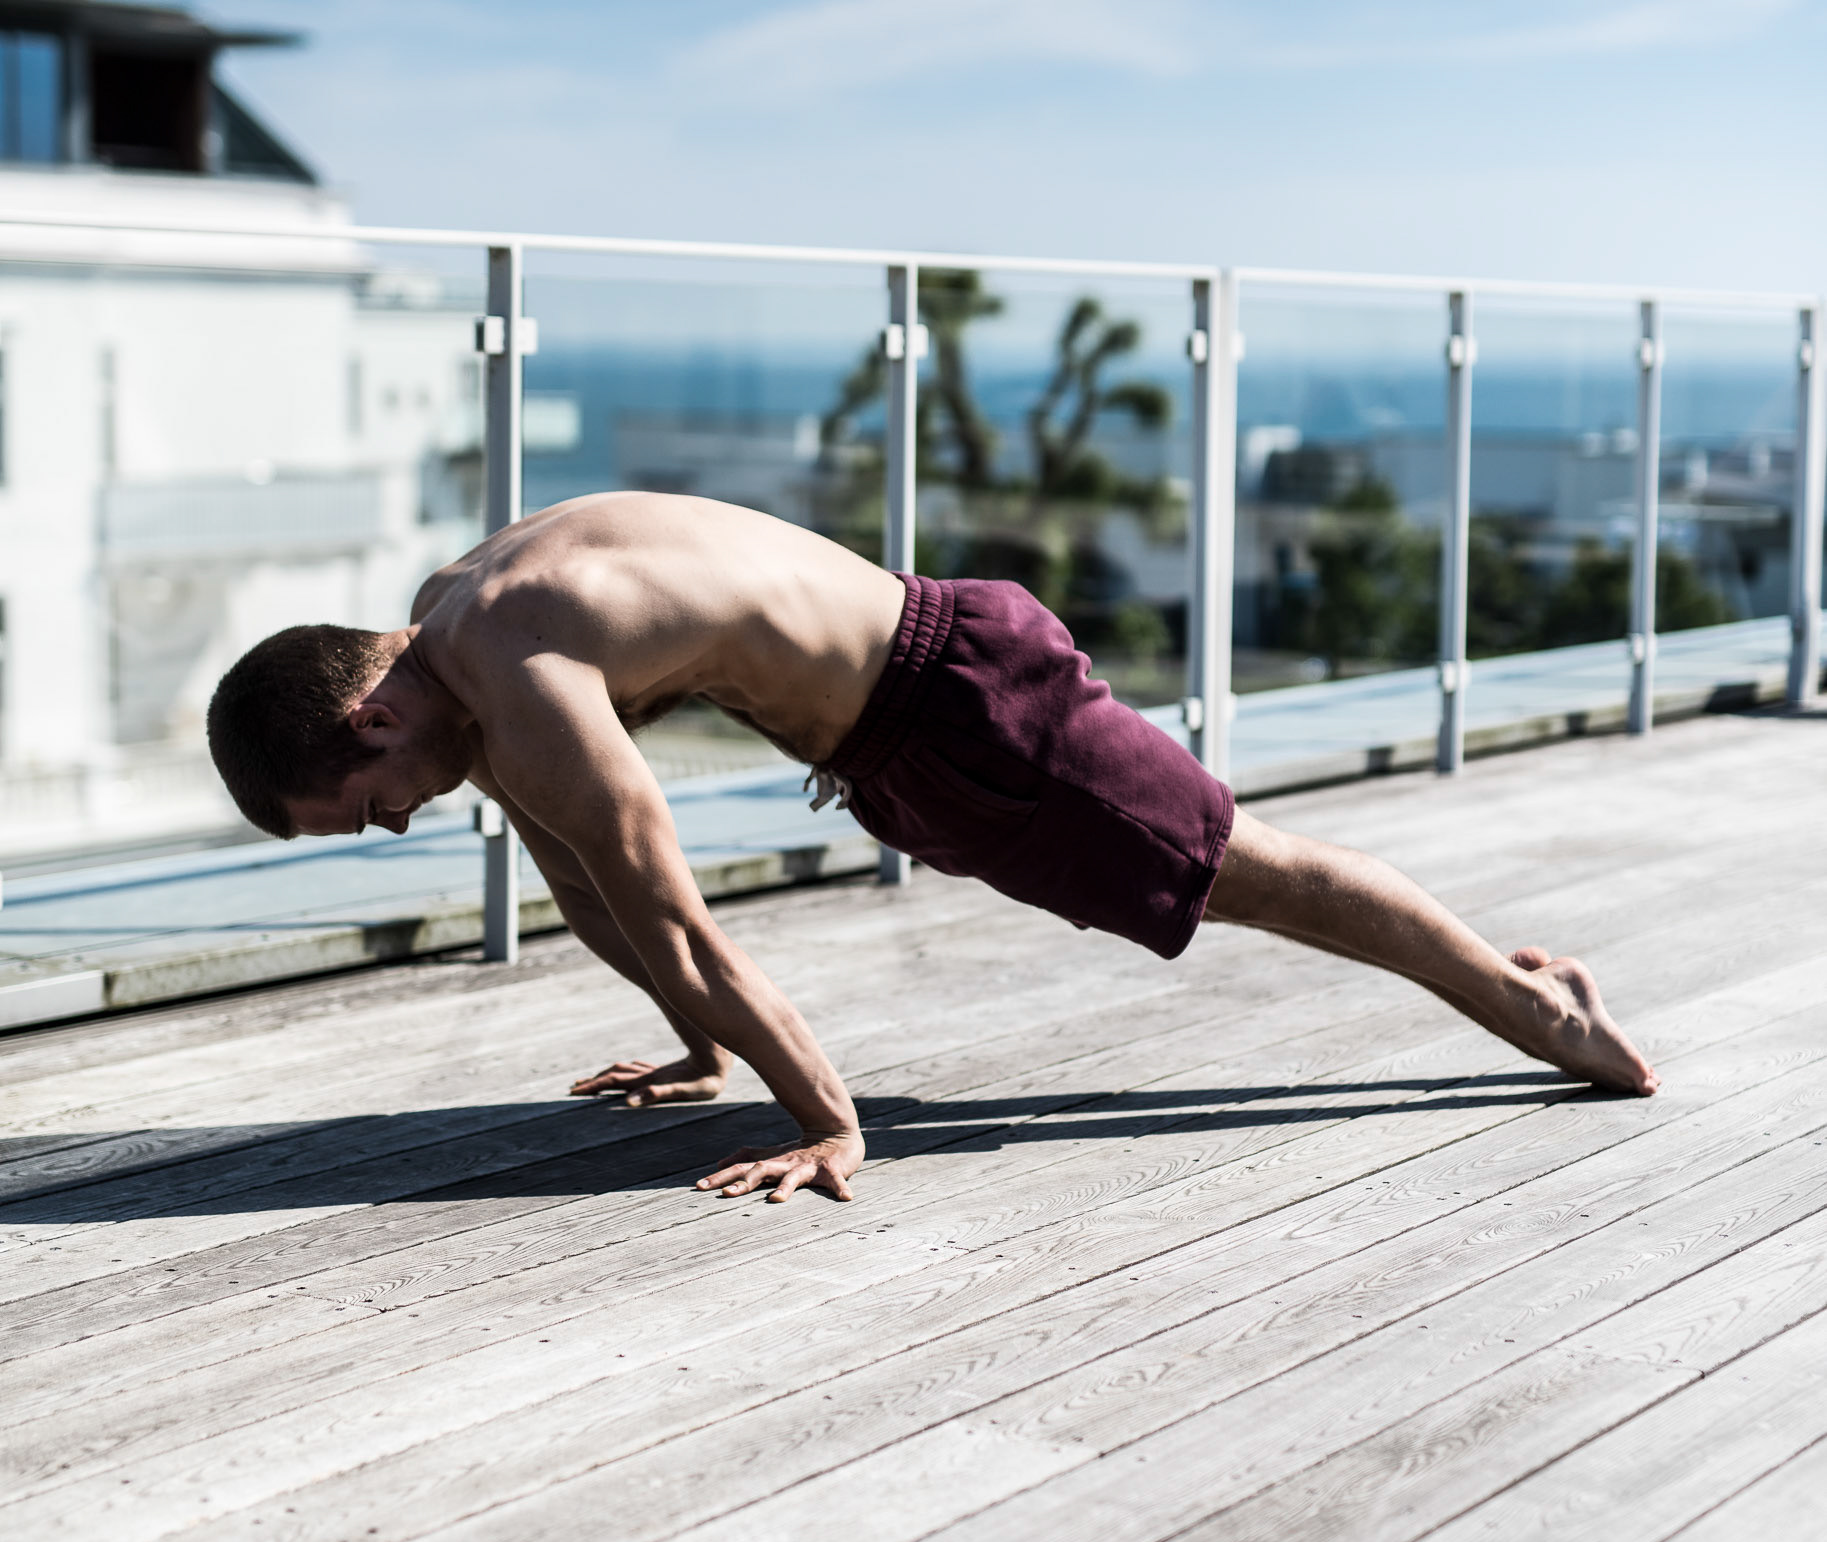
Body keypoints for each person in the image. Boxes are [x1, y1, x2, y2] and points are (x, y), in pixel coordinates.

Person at [206, 494, 1657, 1206]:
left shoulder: (510, 662)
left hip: (964, 702)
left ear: (370, 708)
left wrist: (830, 1119)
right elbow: (583, 878)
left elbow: (682, 922)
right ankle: (1510, 981)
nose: (405, 817)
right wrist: (705, 1056)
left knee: (1242, 872)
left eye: (376, 801)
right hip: (900, 738)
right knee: (1233, 875)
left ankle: (1540, 1011)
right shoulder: (461, 629)